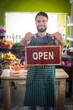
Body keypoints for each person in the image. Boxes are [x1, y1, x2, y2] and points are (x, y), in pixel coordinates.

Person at [20, 12, 65, 110]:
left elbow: (62, 43)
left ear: (47, 23)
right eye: (38, 21)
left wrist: (61, 38)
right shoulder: (31, 38)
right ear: (35, 23)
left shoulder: (53, 38)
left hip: (48, 77)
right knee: (31, 106)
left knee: (48, 106)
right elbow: (23, 43)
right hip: (33, 77)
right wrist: (25, 38)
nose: (41, 23)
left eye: (44, 21)